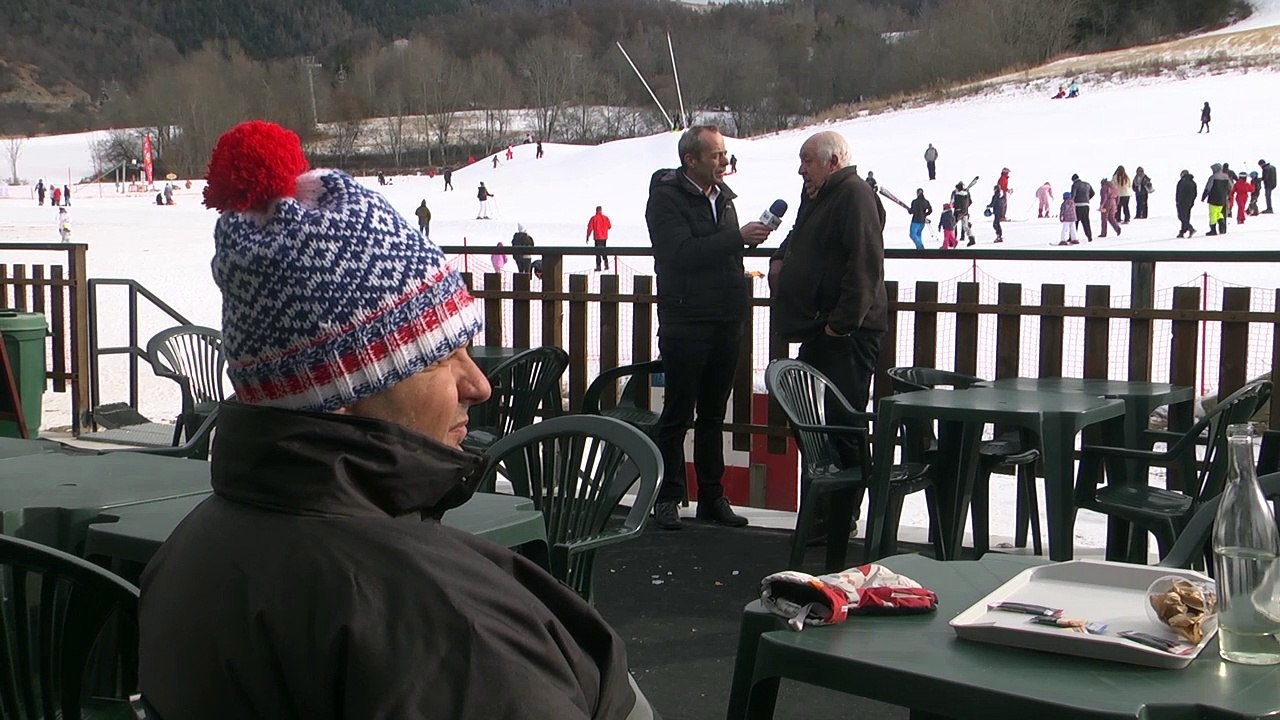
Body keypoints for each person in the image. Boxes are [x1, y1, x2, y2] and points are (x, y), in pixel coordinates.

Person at [139, 120, 653, 720]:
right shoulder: (443, 630)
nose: (478, 384)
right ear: (340, 392)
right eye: (439, 358)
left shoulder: (187, 555)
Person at [645, 124, 770, 531]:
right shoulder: (665, 199)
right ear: (691, 160)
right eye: (716, 155)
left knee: (714, 414)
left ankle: (712, 496)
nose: (724, 161)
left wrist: (739, 244)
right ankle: (666, 497)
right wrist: (736, 238)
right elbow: (679, 253)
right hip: (685, 319)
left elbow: (720, 253)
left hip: (725, 318)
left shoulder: (724, 198)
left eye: (724, 154)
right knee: (678, 412)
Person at [769, 130, 886, 537]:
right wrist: (782, 256)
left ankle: (841, 515)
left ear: (832, 161)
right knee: (809, 420)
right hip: (820, 327)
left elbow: (865, 262)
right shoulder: (819, 195)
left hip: (846, 333)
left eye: (807, 161)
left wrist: (843, 322)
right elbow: (802, 237)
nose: (801, 169)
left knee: (842, 421)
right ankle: (824, 507)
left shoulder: (853, 194)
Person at [1202, 163, 1231, 235]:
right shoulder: (1226, 176)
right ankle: (1222, 226)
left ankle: (1213, 230)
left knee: (1213, 214)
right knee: (1219, 213)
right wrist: (1226, 193)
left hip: (1213, 199)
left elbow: (1208, 188)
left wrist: (1203, 197)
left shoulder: (1213, 177)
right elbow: (1231, 187)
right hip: (1222, 199)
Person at [586, 205, 612, 272]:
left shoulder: (593, 218)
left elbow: (590, 228)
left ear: (596, 210)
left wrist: (587, 236)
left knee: (597, 252)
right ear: (601, 210)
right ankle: (606, 264)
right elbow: (609, 226)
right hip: (604, 237)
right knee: (604, 251)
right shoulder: (605, 218)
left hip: (597, 237)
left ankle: (598, 266)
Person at [1070, 173, 1095, 242]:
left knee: (1075, 222)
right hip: (1086, 205)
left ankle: (1072, 237)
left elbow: (1073, 195)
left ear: (1073, 180)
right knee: (1086, 222)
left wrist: (1071, 202)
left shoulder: (1075, 185)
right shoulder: (1087, 184)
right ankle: (1089, 237)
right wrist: (1087, 199)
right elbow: (1093, 193)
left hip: (1077, 205)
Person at [950, 181, 974, 246]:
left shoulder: (956, 195)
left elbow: (952, 203)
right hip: (965, 212)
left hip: (957, 213)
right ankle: (972, 239)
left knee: (952, 226)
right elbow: (970, 202)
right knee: (965, 226)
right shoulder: (967, 194)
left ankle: (952, 241)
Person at [1175, 169, 1197, 238]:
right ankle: (1182, 232)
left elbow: (1179, 193)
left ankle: (1190, 228)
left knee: (1181, 216)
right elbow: (1195, 193)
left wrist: (1178, 201)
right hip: (1190, 202)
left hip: (1182, 202)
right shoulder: (1193, 182)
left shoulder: (1182, 182)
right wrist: (1192, 201)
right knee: (1186, 217)